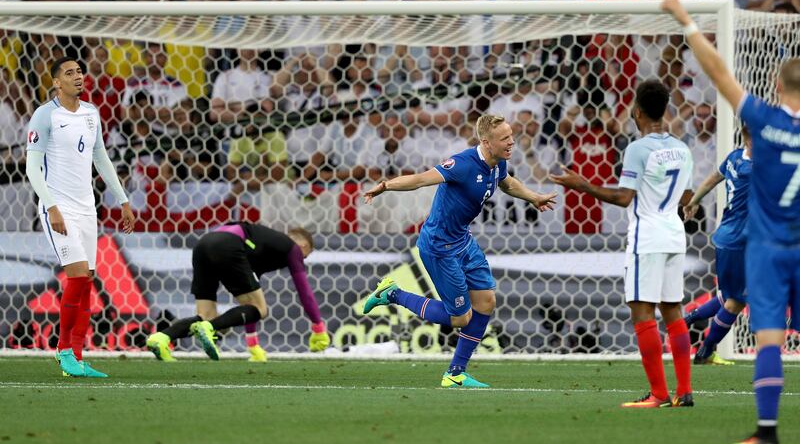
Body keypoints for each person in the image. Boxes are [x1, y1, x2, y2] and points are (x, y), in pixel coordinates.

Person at [663, 0, 800, 444]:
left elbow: (719, 72)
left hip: (767, 248)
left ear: (778, 87)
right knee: (735, 302)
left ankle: (766, 431)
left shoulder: (762, 120)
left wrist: (686, 21)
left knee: (767, 338)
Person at [361, 114, 557, 388]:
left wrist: (534, 197)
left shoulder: (497, 163)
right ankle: (392, 293)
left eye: (511, 136)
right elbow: (419, 179)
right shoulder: (462, 164)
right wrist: (385, 186)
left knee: (486, 302)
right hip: (439, 246)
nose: (512, 142)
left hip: (463, 241)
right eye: (505, 138)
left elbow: (507, 183)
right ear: (486, 143)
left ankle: (455, 373)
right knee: (460, 318)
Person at [551, 80, 695, 408]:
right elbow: (686, 197)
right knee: (673, 310)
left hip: (648, 237)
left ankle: (659, 393)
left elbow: (623, 196)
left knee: (642, 311)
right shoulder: (682, 148)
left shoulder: (637, 149)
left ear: (637, 111)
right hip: (675, 235)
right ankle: (683, 391)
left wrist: (582, 185)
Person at [25, 57, 135, 377]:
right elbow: (32, 167)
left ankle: (76, 355)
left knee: (86, 282)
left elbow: (101, 157)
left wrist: (123, 199)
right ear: (56, 82)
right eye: (69, 73)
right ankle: (63, 351)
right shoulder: (45, 115)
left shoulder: (90, 113)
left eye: (79, 72)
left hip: (87, 207)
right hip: (57, 206)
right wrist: (52, 206)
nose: (77, 77)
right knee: (75, 277)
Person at [146, 224, 329, 362]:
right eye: (306, 255)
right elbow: (304, 291)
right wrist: (318, 327)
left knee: (206, 315)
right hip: (228, 244)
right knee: (261, 309)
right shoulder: (292, 248)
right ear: (304, 245)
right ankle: (209, 328)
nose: (303, 259)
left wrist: (253, 345)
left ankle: (161, 338)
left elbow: (248, 305)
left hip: (203, 244)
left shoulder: (262, 245)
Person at [683, 125, 752, 366]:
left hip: (727, 236)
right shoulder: (755, 169)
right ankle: (706, 351)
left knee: (729, 295)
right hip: (740, 241)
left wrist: (694, 200)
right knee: (737, 300)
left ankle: (687, 320)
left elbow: (713, 178)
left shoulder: (734, 157)